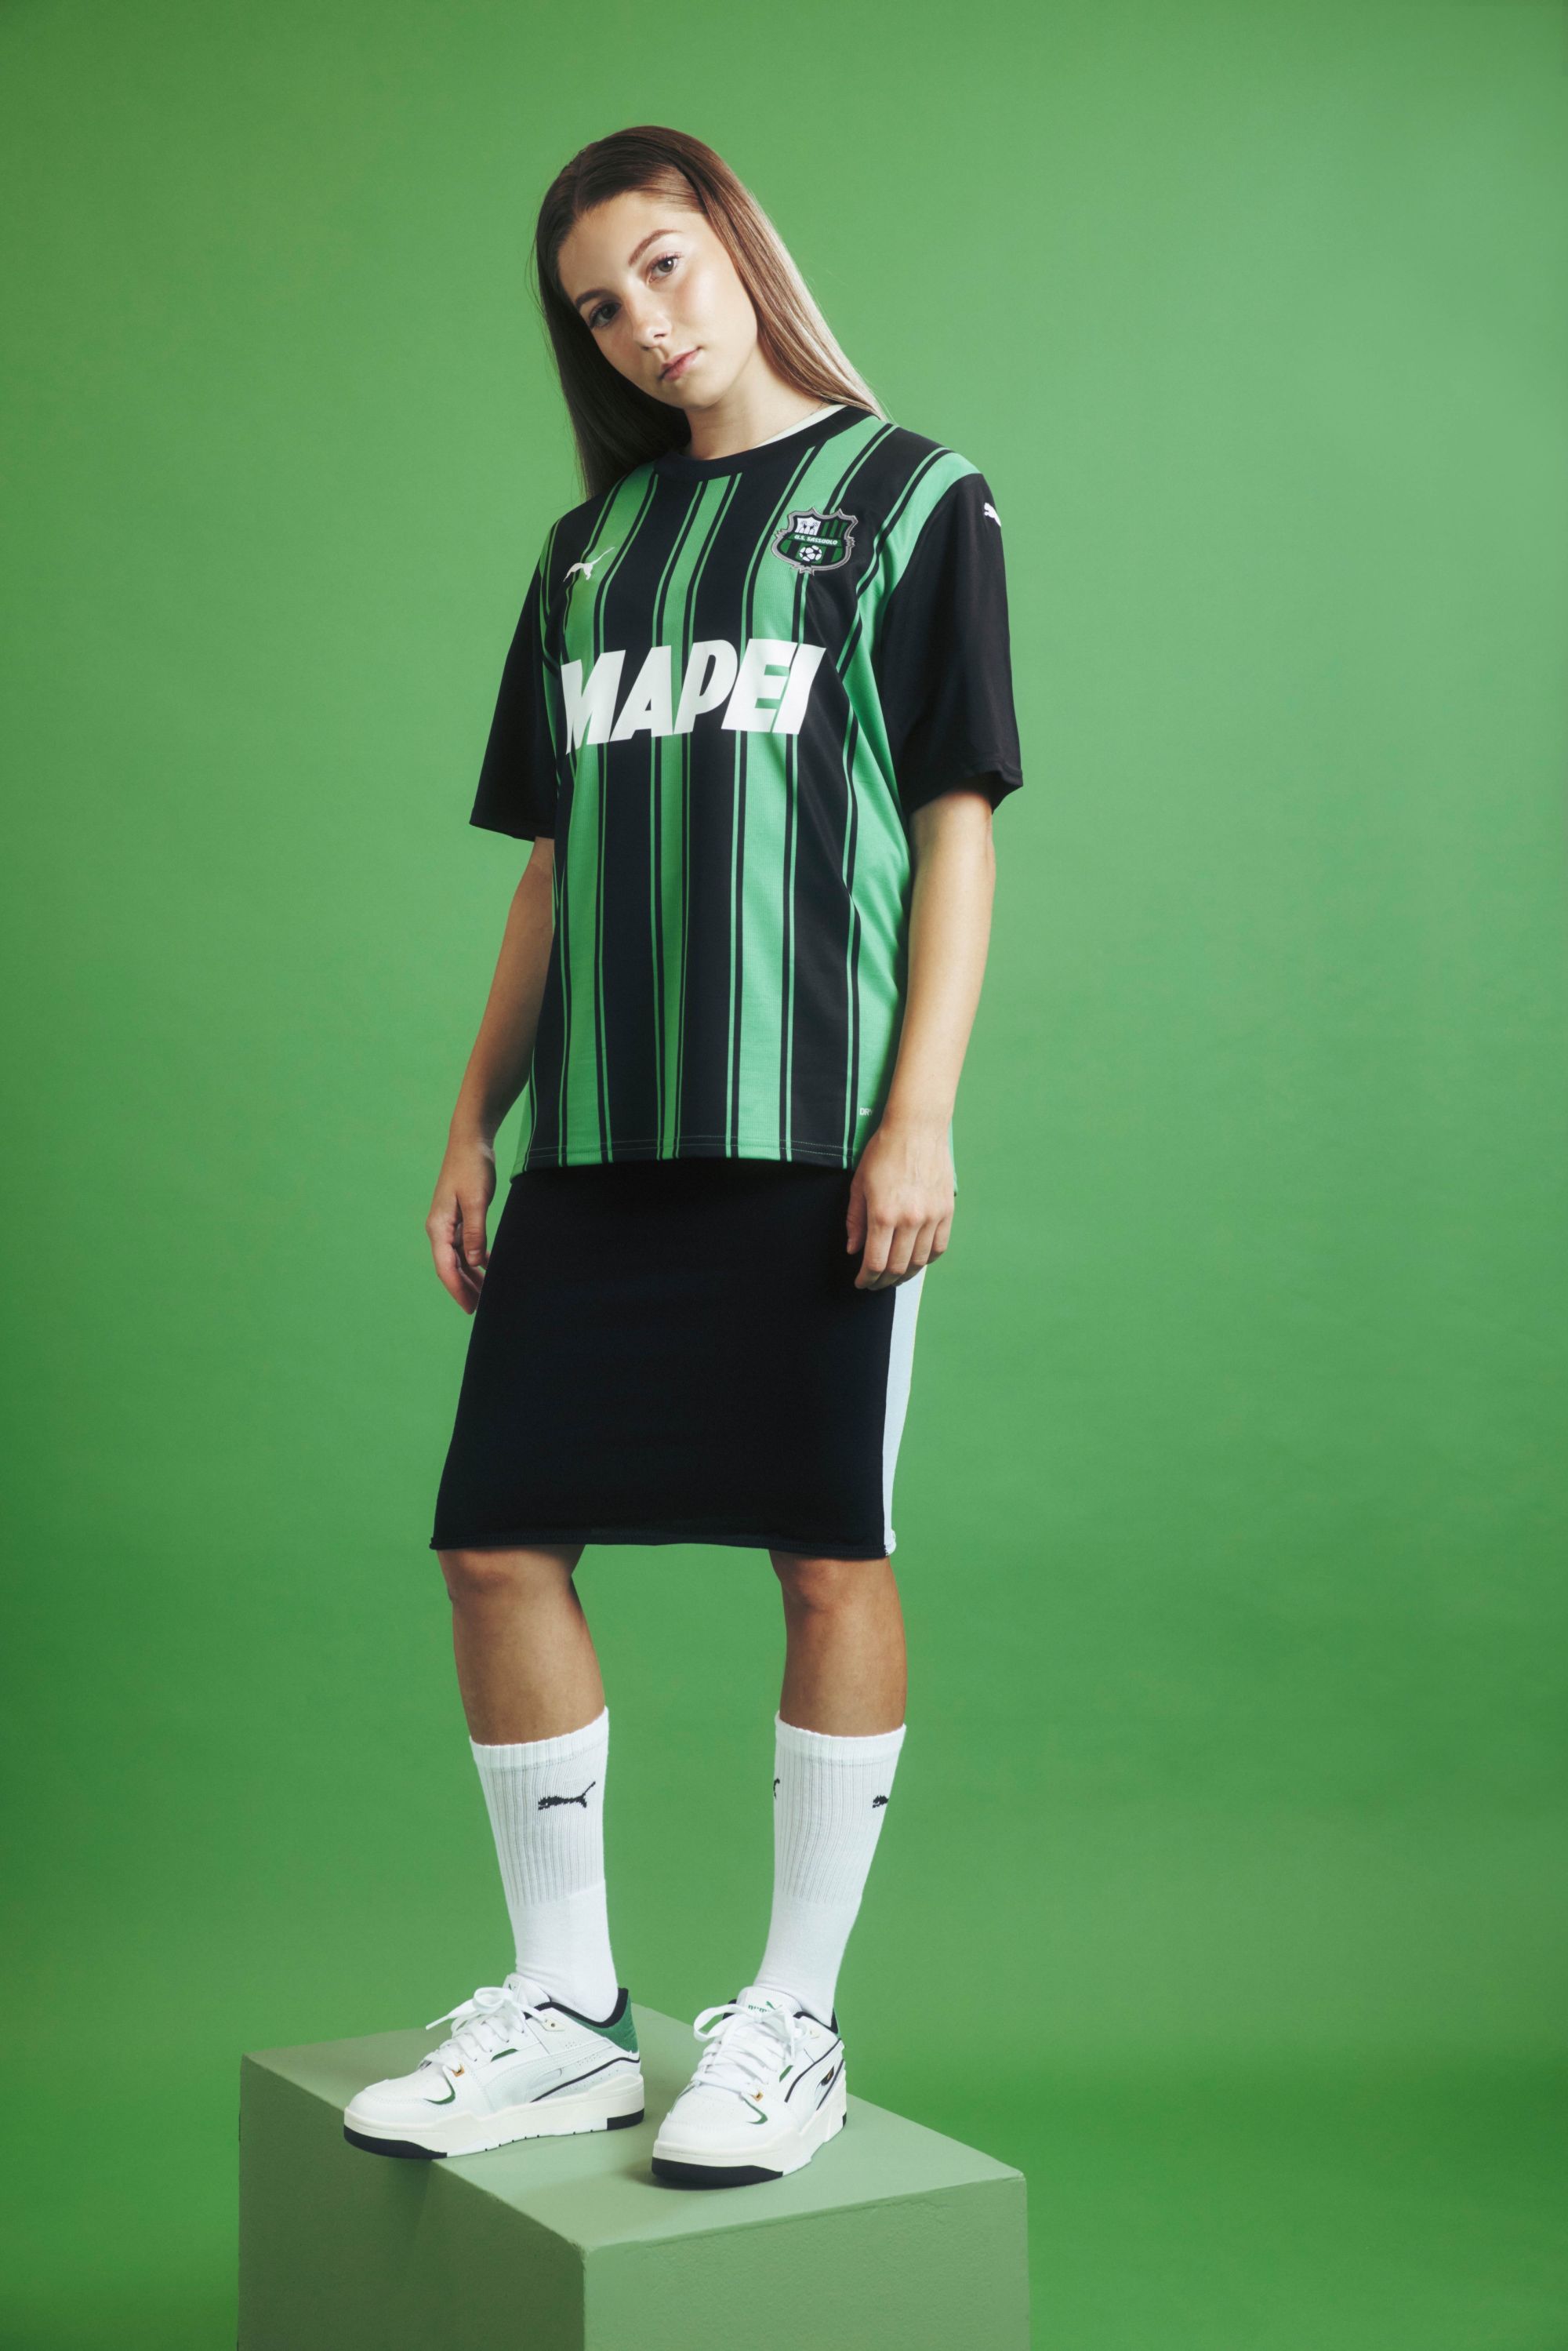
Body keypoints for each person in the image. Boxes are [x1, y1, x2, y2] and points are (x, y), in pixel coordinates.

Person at [343, 125, 1023, 2189]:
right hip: (597, 1138)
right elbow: (553, 865)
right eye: (599, 306)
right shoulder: (590, 555)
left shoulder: (911, 500)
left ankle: (792, 2020)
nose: (644, 323)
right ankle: (568, 2012)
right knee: (495, 1541)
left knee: (826, 1552)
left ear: (733, 238)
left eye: (662, 264)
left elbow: (959, 826)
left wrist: (919, 1114)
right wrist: (472, 1120)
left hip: (811, 1134)